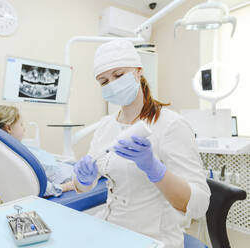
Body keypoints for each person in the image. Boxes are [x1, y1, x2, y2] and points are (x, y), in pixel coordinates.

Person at [73, 39, 210, 248]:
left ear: (138, 71)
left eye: (118, 75)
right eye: (104, 81)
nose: (112, 84)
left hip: (153, 239)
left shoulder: (171, 124)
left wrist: (155, 170)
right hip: (110, 229)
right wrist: (83, 179)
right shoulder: (105, 127)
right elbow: (83, 186)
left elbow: (199, 204)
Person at [0, 105, 75, 197]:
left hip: (65, 168)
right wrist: (66, 186)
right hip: (67, 177)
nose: (24, 128)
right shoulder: (17, 157)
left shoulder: (9, 150)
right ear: (8, 128)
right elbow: (39, 188)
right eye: (21, 124)